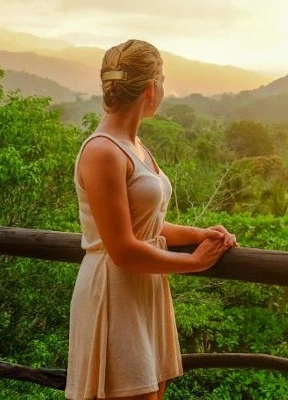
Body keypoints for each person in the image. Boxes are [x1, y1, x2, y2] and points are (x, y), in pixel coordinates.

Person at [65, 39, 237, 400]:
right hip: (113, 290)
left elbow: (144, 226)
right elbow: (123, 248)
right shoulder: (102, 151)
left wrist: (198, 233)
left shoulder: (135, 146)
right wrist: (192, 262)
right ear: (150, 88)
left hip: (145, 288)